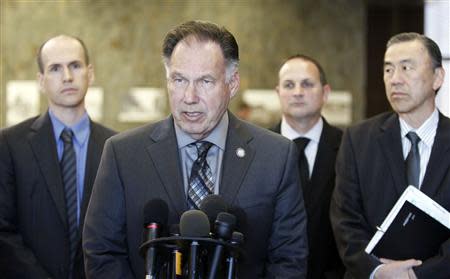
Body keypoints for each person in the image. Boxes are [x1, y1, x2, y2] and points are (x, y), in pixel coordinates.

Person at [83, 20, 308, 279]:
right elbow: (102, 251)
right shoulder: (122, 154)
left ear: (232, 83)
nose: (189, 96)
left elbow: (289, 259)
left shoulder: (276, 156)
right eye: (179, 80)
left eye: (205, 82)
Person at [330, 32, 449, 279]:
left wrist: (419, 275)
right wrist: (377, 270)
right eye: (388, 70)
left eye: (406, 68)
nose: (395, 79)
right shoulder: (357, 140)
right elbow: (345, 220)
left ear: (438, 77)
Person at [0, 35, 116, 278]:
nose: (67, 77)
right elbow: (3, 231)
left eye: (75, 65)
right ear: (41, 81)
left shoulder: (116, 147)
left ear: (90, 73)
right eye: (55, 68)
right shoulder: (10, 144)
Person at [271, 55, 344, 279]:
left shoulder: (349, 148)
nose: (297, 92)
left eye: (307, 84)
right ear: (278, 93)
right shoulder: (258, 151)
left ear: (326, 92)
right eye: (289, 85)